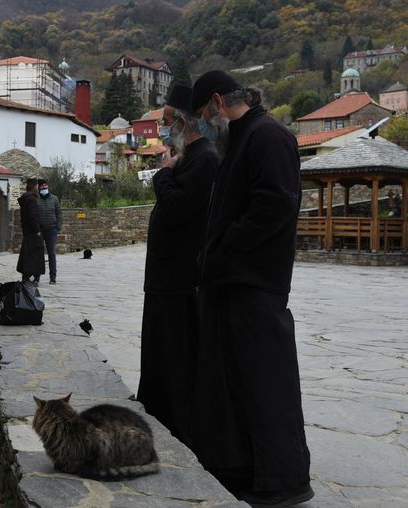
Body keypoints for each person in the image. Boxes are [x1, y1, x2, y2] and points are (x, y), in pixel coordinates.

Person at [189, 70, 313, 506]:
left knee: (265, 384)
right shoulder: (241, 138)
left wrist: (224, 247)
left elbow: (275, 203)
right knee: (236, 383)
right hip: (233, 281)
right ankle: (244, 470)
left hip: (255, 281)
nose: (203, 124)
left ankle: (282, 481)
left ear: (218, 102)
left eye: (204, 114)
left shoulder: (268, 136)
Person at [136, 85, 219, 447]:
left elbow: (177, 210)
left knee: (175, 360)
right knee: (159, 355)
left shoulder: (205, 160)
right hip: (164, 280)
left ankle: (177, 426)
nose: (162, 129)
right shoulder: (189, 157)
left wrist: (163, 174)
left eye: (167, 121)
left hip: (180, 281)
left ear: (183, 122)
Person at [16, 178, 45, 285]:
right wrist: (37, 230)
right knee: (35, 254)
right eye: (37, 185)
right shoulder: (31, 199)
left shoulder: (25, 199)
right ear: (34, 187)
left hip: (27, 231)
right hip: (33, 232)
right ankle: (33, 277)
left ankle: (28, 276)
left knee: (29, 254)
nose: (38, 187)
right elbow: (32, 216)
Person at [36, 179, 62, 284]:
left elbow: (59, 213)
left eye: (46, 186)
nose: (44, 187)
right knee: (38, 254)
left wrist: (58, 227)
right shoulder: (36, 199)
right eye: (42, 186)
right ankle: (37, 277)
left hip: (52, 230)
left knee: (51, 253)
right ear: (39, 188)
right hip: (40, 230)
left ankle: (53, 277)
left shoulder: (54, 199)